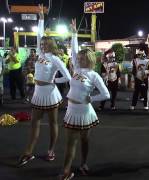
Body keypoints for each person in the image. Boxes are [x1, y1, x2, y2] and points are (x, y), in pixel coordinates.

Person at [18, 4, 71, 167]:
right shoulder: (40, 55)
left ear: (51, 45)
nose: (42, 46)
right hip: (37, 93)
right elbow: (39, 33)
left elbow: (67, 76)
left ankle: (51, 150)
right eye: (41, 44)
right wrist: (41, 17)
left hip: (50, 93)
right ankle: (29, 152)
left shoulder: (55, 59)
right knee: (34, 123)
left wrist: (54, 81)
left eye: (45, 44)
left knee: (53, 123)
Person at [61, 19, 110, 180]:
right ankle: (66, 170)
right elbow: (73, 52)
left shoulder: (94, 75)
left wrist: (92, 98)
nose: (78, 59)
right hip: (71, 109)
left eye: (82, 58)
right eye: (79, 58)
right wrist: (74, 33)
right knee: (70, 142)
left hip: (84, 111)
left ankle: (83, 163)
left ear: (89, 59)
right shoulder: (76, 69)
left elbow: (106, 94)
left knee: (84, 141)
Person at [130, 44, 149, 110]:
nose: (139, 56)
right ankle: (133, 105)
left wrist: (146, 72)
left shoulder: (148, 61)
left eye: (140, 54)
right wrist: (132, 78)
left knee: (145, 93)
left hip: (145, 78)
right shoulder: (135, 60)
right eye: (138, 54)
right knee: (136, 92)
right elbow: (134, 70)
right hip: (137, 78)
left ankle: (145, 105)